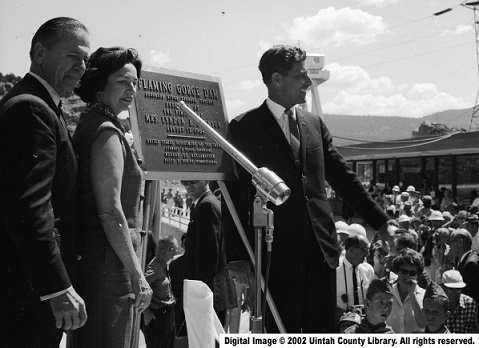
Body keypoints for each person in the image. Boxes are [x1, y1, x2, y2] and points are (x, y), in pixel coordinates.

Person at [222, 45, 389, 333]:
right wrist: (239, 258)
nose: (308, 84)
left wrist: (381, 222)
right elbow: (234, 196)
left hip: (321, 257)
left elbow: (343, 177)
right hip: (276, 260)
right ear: (276, 79)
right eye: (300, 76)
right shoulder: (243, 127)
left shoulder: (313, 124)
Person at [0, 17, 89, 347]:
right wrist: (57, 288)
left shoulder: (42, 105)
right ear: (39, 52)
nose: (81, 68)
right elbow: (30, 208)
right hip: (28, 293)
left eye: (85, 60)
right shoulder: (30, 108)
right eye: (73, 56)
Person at [73, 46, 152, 347]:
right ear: (99, 83)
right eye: (122, 81)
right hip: (112, 266)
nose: (131, 89)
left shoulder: (91, 123)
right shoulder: (106, 131)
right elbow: (110, 210)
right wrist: (137, 273)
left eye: (134, 83)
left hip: (103, 259)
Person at [181, 180, 236, 325]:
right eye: (183, 181)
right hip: (212, 293)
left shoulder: (207, 206)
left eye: (192, 181)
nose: (187, 186)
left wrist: (199, 298)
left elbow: (208, 258)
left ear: (206, 179)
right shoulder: (206, 203)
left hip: (208, 295)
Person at [141, 235, 178, 348]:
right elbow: (140, 289)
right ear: (170, 249)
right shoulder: (154, 269)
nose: (177, 251)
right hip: (159, 318)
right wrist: (146, 312)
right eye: (176, 248)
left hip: (168, 316)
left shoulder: (163, 264)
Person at [387, 248, 426, 333]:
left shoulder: (424, 295)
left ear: (417, 274)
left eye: (412, 273)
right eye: (404, 272)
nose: (408, 276)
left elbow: (423, 324)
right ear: (398, 271)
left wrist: (412, 294)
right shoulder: (387, 293)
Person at [336, 235, 375, 320]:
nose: (367, 254)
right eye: (364, 250)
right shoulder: (334, 270)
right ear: (351, 249)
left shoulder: (368, 270)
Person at [448, 229, 479, 305]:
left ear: (460, 243)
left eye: (451, 243)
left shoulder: (470, 264)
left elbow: (471, 294)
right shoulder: (463, 260)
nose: (449, 247)